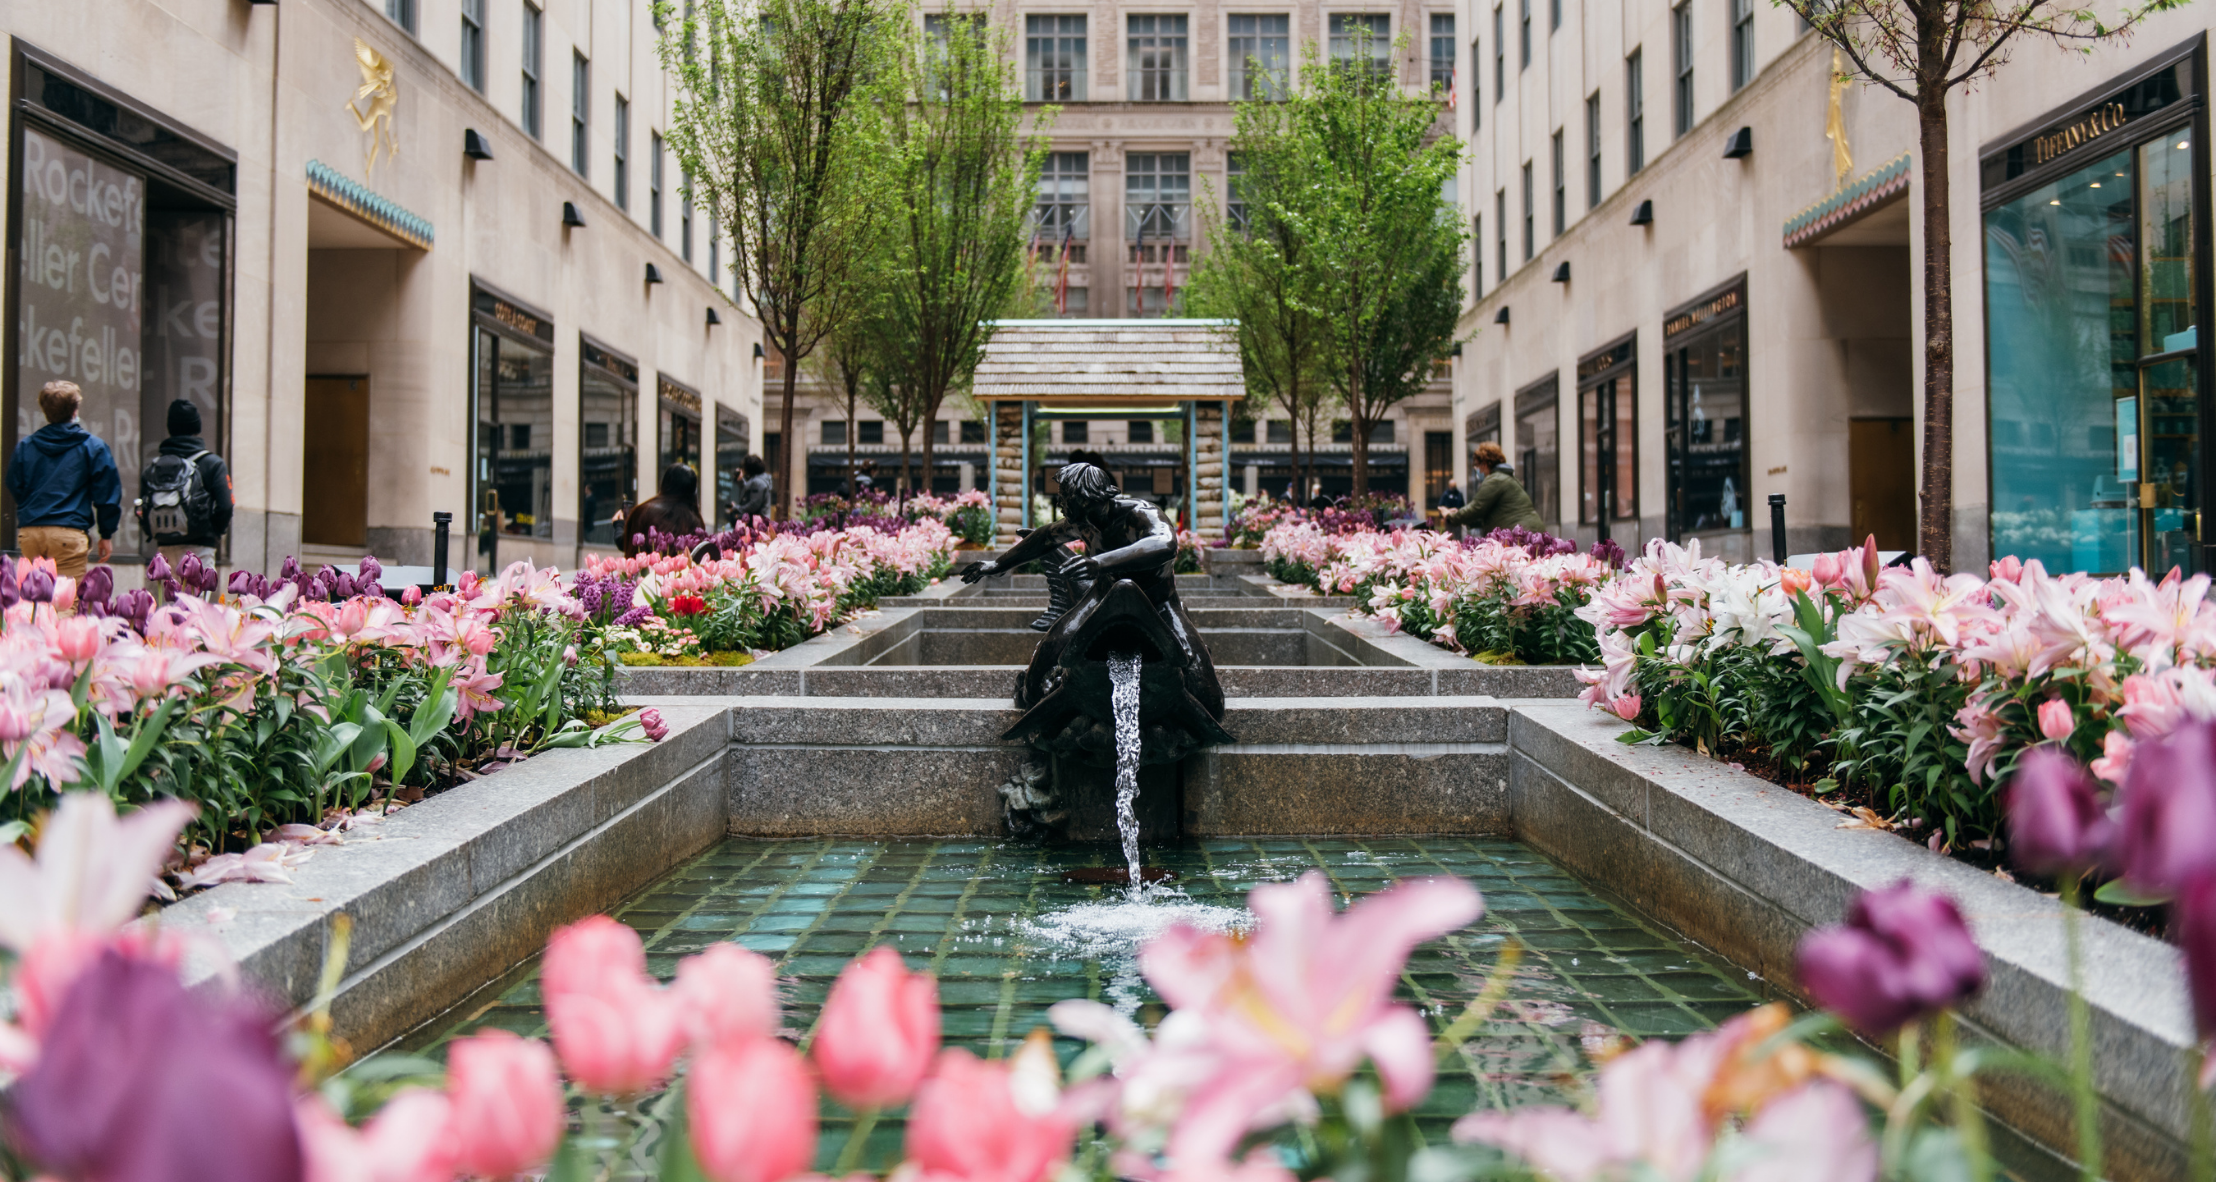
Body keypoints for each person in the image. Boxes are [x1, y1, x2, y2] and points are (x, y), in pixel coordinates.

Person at [959, 462, 1221, 718]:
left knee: (1210, 699)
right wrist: (998, 565)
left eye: (1064, 497)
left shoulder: (1141, 513)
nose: (1060, 503)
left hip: (1159, 604)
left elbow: (1164, 544)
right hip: (1102, 598)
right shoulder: (1081, 522)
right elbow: (1043, 537)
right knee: (1048, 653)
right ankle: (1040, 703)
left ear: (1084, 498)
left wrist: (1098, 563)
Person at [6, 381, 120, 579]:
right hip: (69, 534)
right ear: (75, 410)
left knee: (36, 603)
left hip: (30, 532)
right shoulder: (93, 447)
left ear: (45, 411)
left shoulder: (26, 446)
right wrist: (106, 534)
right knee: (66, 603)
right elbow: (107, 495)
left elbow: (14, 484)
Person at [136, 398, 233, 572]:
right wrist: (212, 532)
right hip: (200, 549)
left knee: (168, 598)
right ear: (197, 427)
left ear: (170, 427)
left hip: (164, 549)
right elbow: (225, 506)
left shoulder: (154, 467)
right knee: (196, 600)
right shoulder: (212, 463)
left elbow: (141, 507)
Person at [1446, 441, 1544, 533]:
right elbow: (1488, 516)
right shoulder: (1507, 478)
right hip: (1530, 531)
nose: (1477, 469)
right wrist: (1460, 514)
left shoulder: (1495, 480)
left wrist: (1450, 516)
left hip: (1523, 534)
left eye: (1477, 465)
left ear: (1484, 463)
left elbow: (1476, 508)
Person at [619, 464, 706, 555]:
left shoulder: (644, 512)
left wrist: (619, 525)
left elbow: (629, 544)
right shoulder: (696, 522)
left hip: (645, 568)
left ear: (665, 484)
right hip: (681, 568)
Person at [732, 454, 773, 523]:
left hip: (757, 523)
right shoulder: (760, 479)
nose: (743, 469)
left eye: (744, 467)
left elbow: (753, 505)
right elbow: (749, 489)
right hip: (759, 521)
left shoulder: (757, 482)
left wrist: (737, 508)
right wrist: (741, 481)